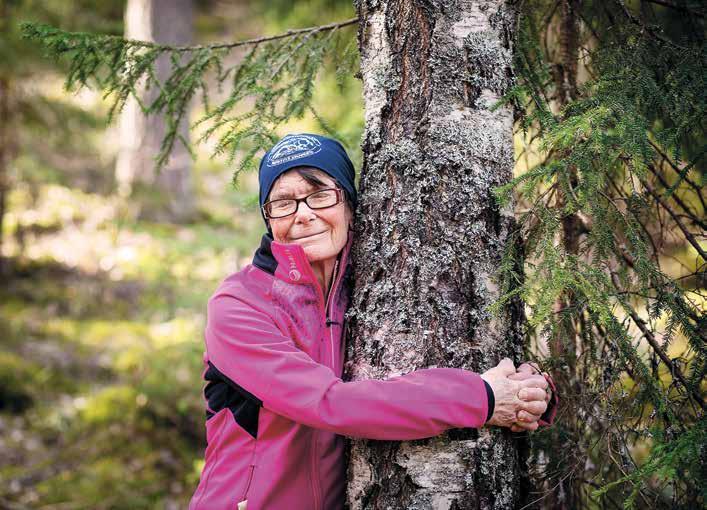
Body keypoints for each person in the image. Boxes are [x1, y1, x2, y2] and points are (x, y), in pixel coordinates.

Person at [189, 133, 557, 510]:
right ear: (269, 219)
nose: (302, 213)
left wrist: (526, 391)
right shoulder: (239, 304)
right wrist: (482, 397)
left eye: (319, 195)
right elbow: (328, 403)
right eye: (283, 203)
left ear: (349, 204)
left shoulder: (369, 287)